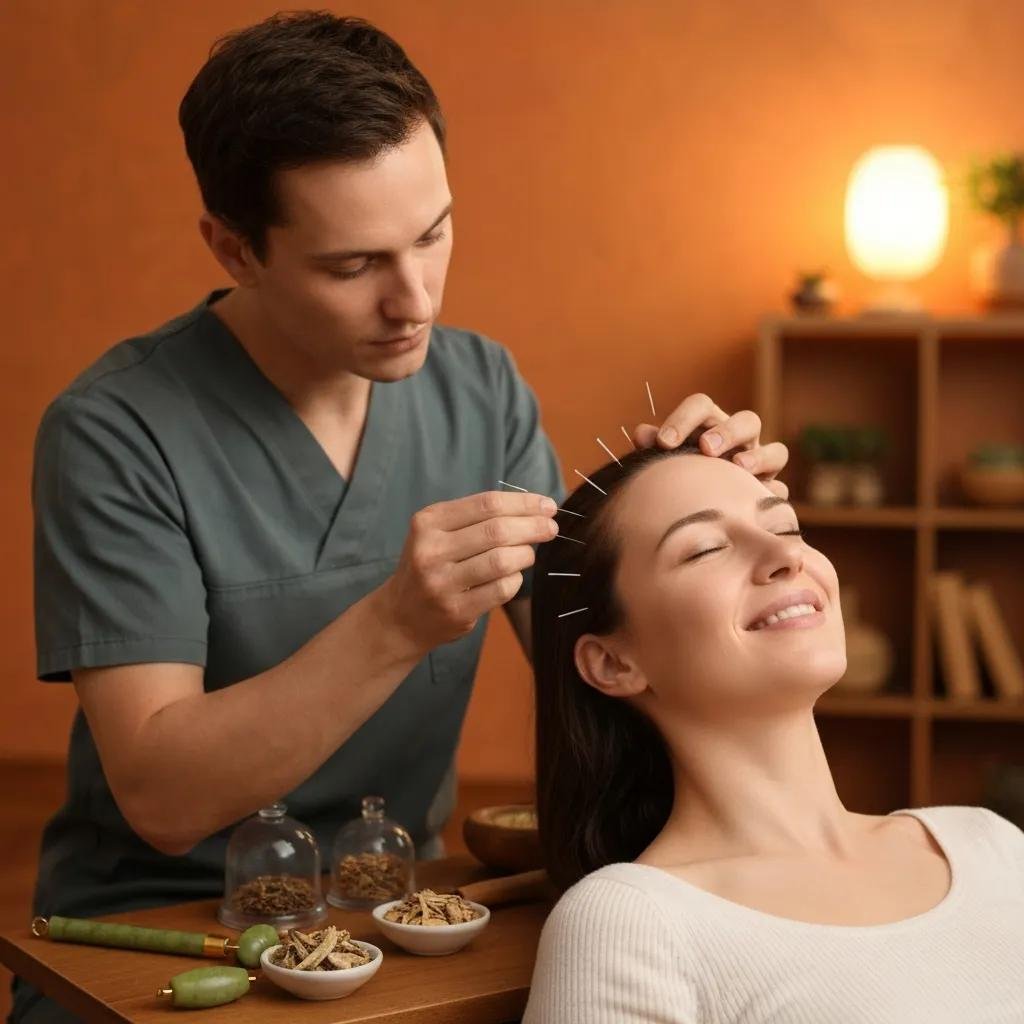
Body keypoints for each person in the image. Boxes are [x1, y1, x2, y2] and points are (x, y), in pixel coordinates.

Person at [13, 12, 791, 1024]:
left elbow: (601, 652)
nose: (414, 297)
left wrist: (717, 514)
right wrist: (396, 621)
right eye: (352, 266)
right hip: (162, 940)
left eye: (433, 233)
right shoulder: (114, 432)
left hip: (411, 921)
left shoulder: (480, 388)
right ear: (235, 248)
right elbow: (161, 796)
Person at [523, 442, 1024, 1023]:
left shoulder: (990, 846)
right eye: (705, 549)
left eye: (786, 527)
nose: (784, 557)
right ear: (614, 663)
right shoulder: (632, 922)